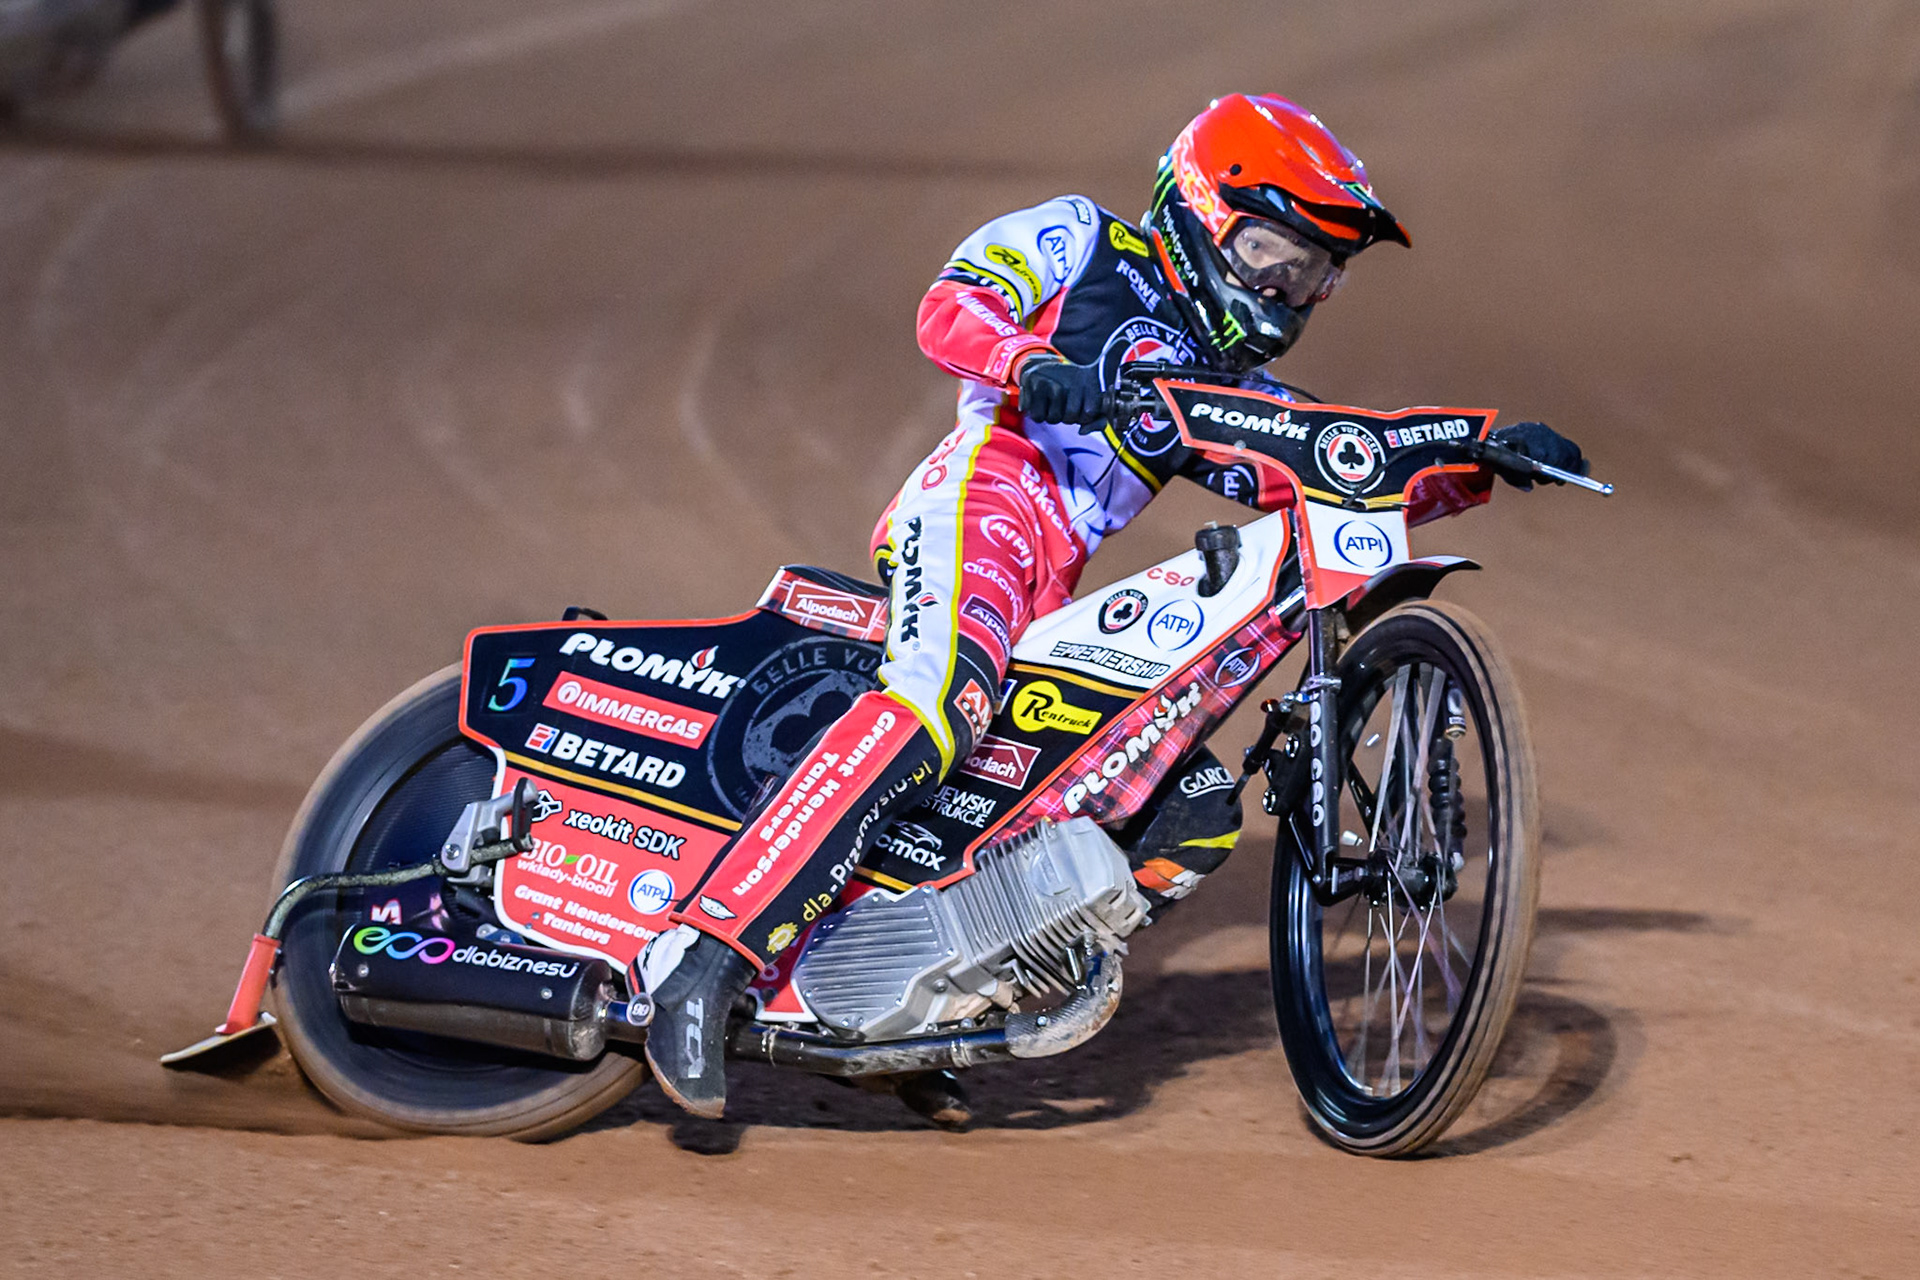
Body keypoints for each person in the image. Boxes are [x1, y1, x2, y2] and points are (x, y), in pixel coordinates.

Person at [634, 92, 1586, 1120]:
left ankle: (913, 1003)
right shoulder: (1082, 238)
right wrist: (1030, 362)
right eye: (1270, 251)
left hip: (1058, 570)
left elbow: (1327, 467)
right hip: (983, 496)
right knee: (937, 703)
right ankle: (706, 958)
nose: (1283, 287)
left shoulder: (1220, 381)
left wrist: (1485, 458)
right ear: (1199, 211)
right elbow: (947, 307)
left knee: (1184, 805)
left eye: (1310, 271)